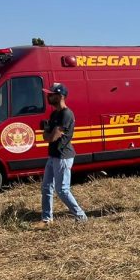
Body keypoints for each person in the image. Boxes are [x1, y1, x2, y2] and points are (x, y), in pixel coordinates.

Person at [35, 83, 87, 227]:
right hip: (53, 155)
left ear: (61, 96)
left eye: (51, 94)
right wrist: (48, 133)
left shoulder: (66, 114)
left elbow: (51, 137)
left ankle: (81, 216)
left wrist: (48, 133)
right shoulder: (54, 113)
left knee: (62, 190)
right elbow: (47, 135)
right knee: (46, 187)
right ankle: (47, 219)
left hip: (63, 156)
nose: (48, 96)